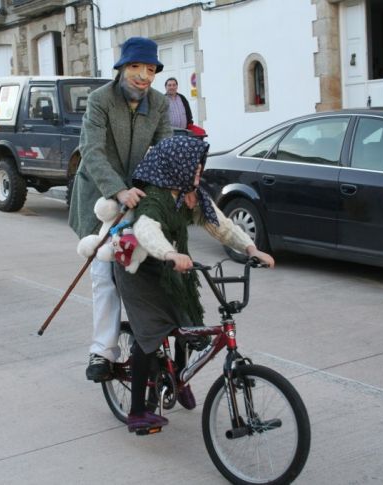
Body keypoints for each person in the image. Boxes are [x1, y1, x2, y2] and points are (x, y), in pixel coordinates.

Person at [113, 135, 274, 432]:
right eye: (195, 165)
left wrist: (251, 249)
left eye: (199, 165)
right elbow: (146, 230)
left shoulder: (190, 194)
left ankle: (178, 376)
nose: (199, 170)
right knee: (149, 335)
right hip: (141, 270)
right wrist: (171, 253)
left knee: (188, 321)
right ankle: (137, 411)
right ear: (178, 166)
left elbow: (220, 224)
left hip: (170, 264)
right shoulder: (156, 197)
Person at [68, 36, 173, 382]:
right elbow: (92, 150)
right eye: (136, 67)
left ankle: (153, 342)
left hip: (136, 194)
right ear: (122, 68)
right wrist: (117, 189)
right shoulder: (100, 101)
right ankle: (102, 351)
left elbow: (164, 149)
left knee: (144, 267)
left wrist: (172, 186)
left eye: (150, 69)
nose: (143, 75)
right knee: (104, 273)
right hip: (99, 194)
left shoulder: (158, 103)